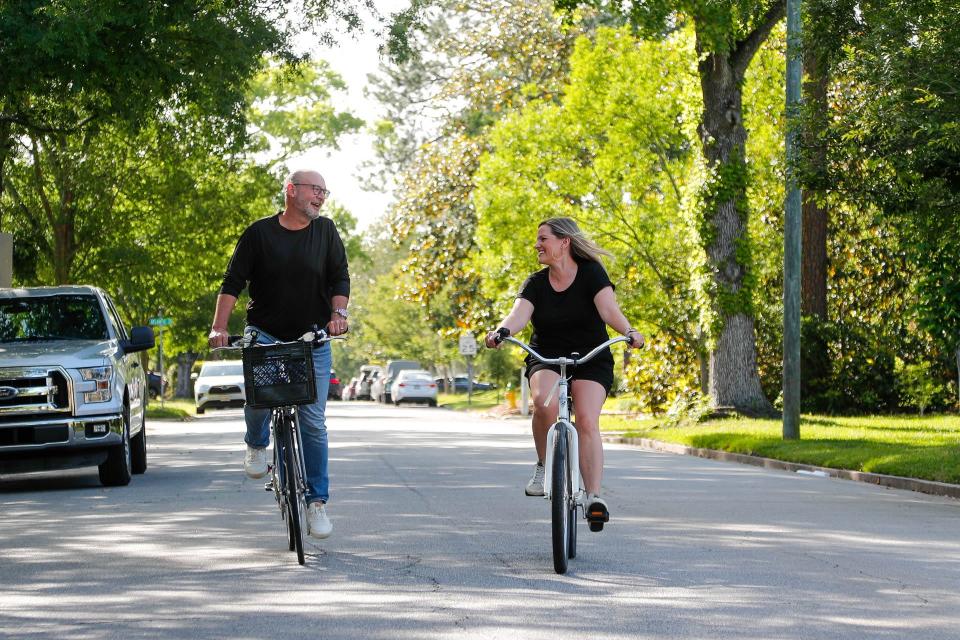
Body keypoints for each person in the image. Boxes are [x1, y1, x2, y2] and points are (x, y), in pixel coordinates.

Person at [208, 169, 350, 539]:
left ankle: (316, 502)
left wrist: (338, 315)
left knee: (313, 423)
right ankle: (256, 444)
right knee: (259, 401)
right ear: (291, 191)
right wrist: (219, 327)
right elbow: (232, 283)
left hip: (312, 339)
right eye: (314, 189)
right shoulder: (259, 234)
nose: (321, 196)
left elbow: (340, 278)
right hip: (266, 336)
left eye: (324, 190)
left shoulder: (327, 231)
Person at [484, 217, 643, 528]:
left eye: (543, 238)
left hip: (590, 357)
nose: (537, 245)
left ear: (564, 242)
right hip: (546, 355)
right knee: (545, 402)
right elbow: (518, 315)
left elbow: (609, 310)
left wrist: (630, 331)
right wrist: (501, 331)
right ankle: (544, 465)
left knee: (586, 419)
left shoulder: (591, 274)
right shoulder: (535, 283)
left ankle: (593, 496)